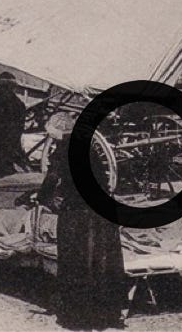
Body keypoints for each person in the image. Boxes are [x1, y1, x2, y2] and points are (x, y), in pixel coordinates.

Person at [38, 112, 126, 330]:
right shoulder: (89, 146)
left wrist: (41, 198)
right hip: (103, 210)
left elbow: (52, 179)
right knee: (103, 260)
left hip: (79, 213)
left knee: (78, 260)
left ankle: (79, 316)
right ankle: (107, 314)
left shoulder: (62, 150)